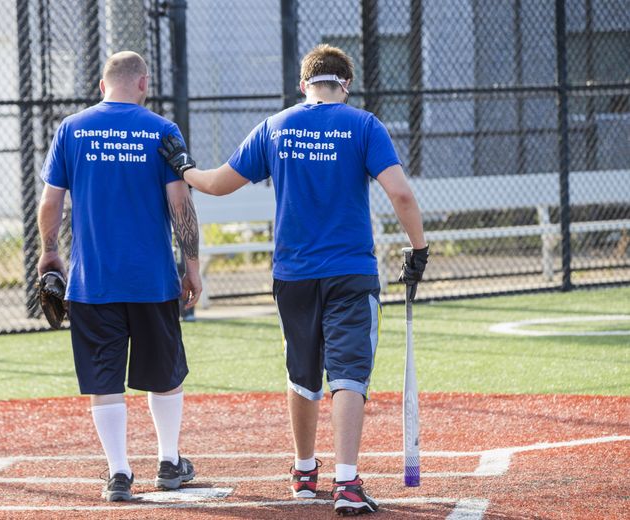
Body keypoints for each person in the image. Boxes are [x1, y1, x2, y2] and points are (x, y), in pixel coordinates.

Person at [159, 44, 428, 515]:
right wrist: (419, 249)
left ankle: (304, 472)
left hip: (293, 274)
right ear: (346, 84)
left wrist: (182, 167)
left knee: (302, 373)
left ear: (304, 85)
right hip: (350, 271)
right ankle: (347, 483)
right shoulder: (364, 125)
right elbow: (401, 194)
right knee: (349, 373)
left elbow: (219, 183)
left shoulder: (276, 126)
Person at [38, 51, 202, 502]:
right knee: (165, 373)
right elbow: (181, 205)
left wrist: (50, 254)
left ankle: (119, 473)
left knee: (103, 379)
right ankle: (169, 462)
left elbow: (50, 202)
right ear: (144, 83)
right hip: (152, 280)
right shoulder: (162, 131)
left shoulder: (72, 129)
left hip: (93, 282)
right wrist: (192, 268)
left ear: (101, 84)